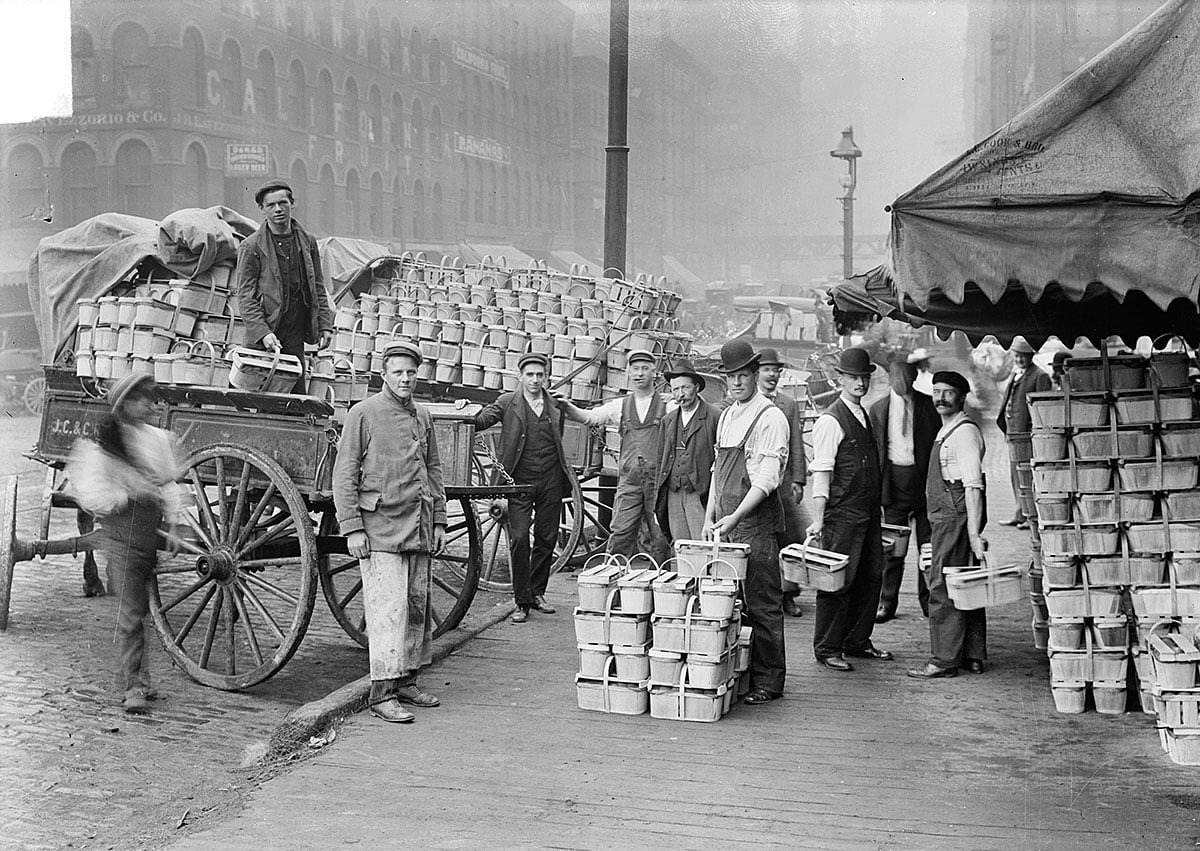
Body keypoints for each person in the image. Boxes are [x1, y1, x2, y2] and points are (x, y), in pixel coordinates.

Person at [333, 341, 446, 723]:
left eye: (411, 372)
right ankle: (381, 692)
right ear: (384, 374)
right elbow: (345, 473)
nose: (405, 379)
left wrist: (441, 520)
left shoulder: (424, 416)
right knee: (387, 612)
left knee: (416, 608)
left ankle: (407, 680)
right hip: (380, 527)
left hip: (419, 526)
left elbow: (434, 471)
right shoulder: (363, 414)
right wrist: (352, 528)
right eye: (398, 372)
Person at [67, 374, 181, 714]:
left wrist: (174, 525)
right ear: (124, 405)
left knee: (141, 610)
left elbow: (169, 483)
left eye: (150, 398)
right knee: (131, 612)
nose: (149, 405)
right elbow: (89, 494)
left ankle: (140, 679)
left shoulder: (157, 440)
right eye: (141, 399)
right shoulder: (102, 445)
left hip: (149, 531)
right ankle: (133, 686)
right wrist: (128, 492)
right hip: (121, 533)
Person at [704, 339, 788, 705]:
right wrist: (711, 514)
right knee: (731, 603)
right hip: (726, 524)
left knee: (762, 602)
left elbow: (767, 481)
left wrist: (735, 516)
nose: (736, 383)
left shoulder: (770, 418)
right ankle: (743, 675)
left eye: (743, 376)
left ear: (755, 375)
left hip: (756, 526)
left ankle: (770, 681)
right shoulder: (726, 416)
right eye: (731, 377)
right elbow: (716, 473)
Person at [468, 352, 573, 624]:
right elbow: (482, 420)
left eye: (540, 375)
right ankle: (521, 601)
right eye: (530, 375)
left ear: (547, 377)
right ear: (520, 377)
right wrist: (465, 413)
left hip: (551, 478)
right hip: (519, 481)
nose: (535, 380)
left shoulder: (555, 404)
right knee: (519, 538)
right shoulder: (507, 402)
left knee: (547, 538)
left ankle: (538, 593)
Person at [806, 346, 892, 672]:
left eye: (864, 377)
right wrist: (818, 519)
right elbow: (823, 472)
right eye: (853, 377)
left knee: (871, 575)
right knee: (837, 581)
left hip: (867, 510)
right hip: (842, 513)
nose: (860, 383)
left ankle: (856, 640)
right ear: (840, 378)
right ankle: (827, 647)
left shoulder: (862, 413)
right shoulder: (831, 419)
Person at [907, 371, 988, 679]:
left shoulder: (964, 433)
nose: (940, 398)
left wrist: (972, 533)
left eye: (948, 392)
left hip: (954, 517)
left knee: (942, 585)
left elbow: (972, 485)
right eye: (936, 392)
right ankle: (972, 655)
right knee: (966, 583)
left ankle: (943, 660)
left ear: (962, 396)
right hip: (948, 516)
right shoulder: (949, 430)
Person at [560, 349, 669, 564]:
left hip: (658, 484)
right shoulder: (620, 406)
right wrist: (567, 407)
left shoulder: (668, 405)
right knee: (621, 531)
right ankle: (614, 583)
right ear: (628, 372)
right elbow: (591, 418)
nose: (639, 374)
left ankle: (659, 586)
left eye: (645, 369)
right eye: (635, 369)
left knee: (659, 537)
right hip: (629, 483)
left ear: (654, 373)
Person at [234, 179, 333, 392]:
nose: (278, 209)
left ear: (292, 203)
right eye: (271, 205)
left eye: (283, 203)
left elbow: (317, 286)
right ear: (262, 209)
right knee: (259, 393)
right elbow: (245, 297)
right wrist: (263, 333)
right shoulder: (251, 246)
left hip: (296, 330)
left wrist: (325, 325)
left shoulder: (307, 241)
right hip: (266, 330)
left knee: (295, 394)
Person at [869, 352, 939, 622]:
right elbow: (876, 454)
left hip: (923, 488)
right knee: (893, 552)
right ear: (888, 379)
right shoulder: (878, 410)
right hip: (894, 489)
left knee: (928, 549)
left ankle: (929, 601)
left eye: (907, 376)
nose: (902, 382)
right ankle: (887, 602)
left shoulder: (928, 406)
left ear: (914, 377)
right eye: (896, 376)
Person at [757, 348, 810, 618]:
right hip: (754, 485)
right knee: (760, 541)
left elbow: (797, 444)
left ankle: (789, 595)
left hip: (783, 483)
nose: (773, 375)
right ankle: (767, 596)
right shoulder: (749, 403)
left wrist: (798, 480)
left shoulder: (788, 404)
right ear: (757, 373)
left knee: (789, 539)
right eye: (767, 370)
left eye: (776, 371)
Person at [654, 358, 718, 543]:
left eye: (685, 388)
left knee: (702, 544)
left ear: (697, 387)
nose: (680, 394)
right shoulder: (668, 420)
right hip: (673, 492)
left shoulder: (714, 417)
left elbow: (720, 462)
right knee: (680, 544)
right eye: (675, 389)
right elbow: (661, 461)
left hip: (699, 492)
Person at [996, 337, 1050, 528]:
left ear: (1030, 356)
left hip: (1027, 437)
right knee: (1015, 475)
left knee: (1028, 477)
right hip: (1014, 435)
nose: (1019, 359)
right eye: (1017, 355)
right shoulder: (1017, 373)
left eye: (1023, 356)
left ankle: (1031, 516)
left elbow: (1043, 410)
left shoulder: (1040, 376)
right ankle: (1020, 512)